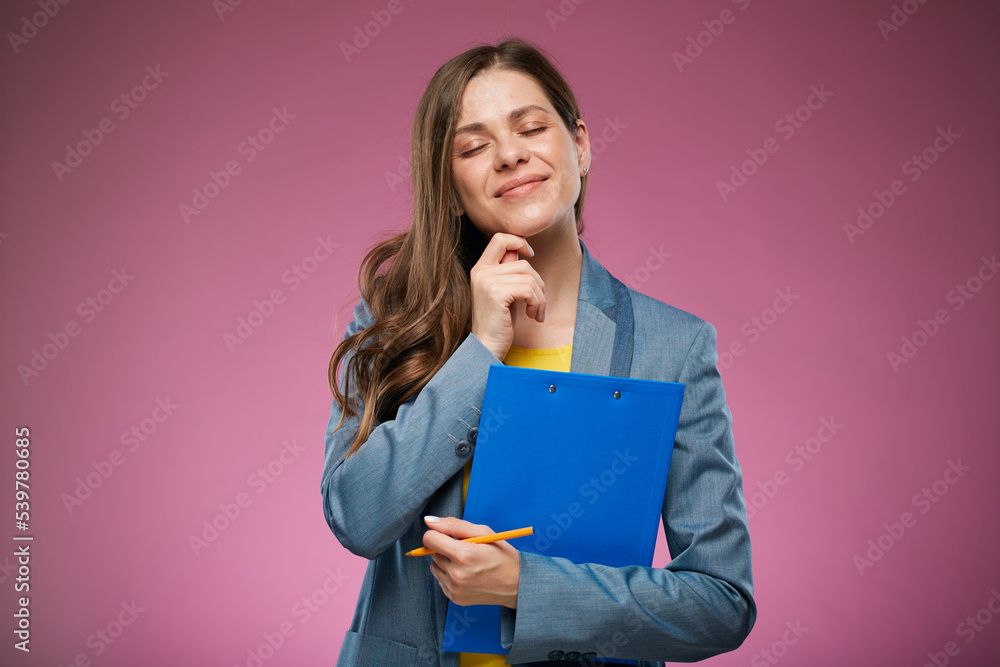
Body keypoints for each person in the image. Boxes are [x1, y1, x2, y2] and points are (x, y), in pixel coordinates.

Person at [321, 37, 755, 667]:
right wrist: (481, 350)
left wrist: (525, 588)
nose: (509, 155)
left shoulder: (673, 347)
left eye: (530, 127)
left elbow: (721, 603)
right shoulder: (392, 322)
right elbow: (356, 517)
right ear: (450, 183)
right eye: (473, 147)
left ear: (579, 144)